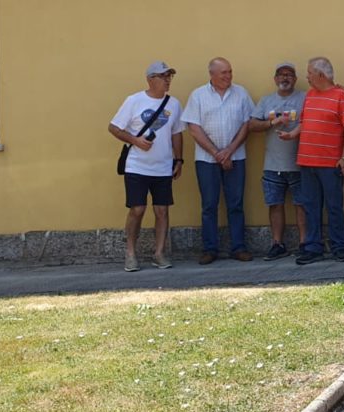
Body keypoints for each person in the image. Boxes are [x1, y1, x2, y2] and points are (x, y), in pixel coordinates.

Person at [109, 61, 184, 272]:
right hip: (137, 167)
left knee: (162, 210)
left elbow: (177, 133)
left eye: (170, 76)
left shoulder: (174, 104)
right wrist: (135, 140)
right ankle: (130, 253)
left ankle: (159, 253)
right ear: (150, 79)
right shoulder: (134, 101)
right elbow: (114, 127)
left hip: (163, 167)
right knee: (137, 209)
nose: (168, 80)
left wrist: (179, 160)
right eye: (163, 76)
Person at [182, 57, 254, 265]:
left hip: (236, 158)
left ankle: (239, 247)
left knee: (236, 204)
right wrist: (217, 153)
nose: (228, 76)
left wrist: (229, 151)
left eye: (230, 72)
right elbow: (194, 128)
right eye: (224, 73)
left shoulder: (241, 93)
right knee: (209, 205)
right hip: (206, 160)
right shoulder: (198, 95)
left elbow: (247, 124)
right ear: (212, 74)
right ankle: (209, 249)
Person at [286, 57, 344, 265]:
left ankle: (339, 246)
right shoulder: (309, 95)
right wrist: (292, 135)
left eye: (309, 72)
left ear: (320, 74)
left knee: (334, 206)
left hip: (330, 163)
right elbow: (304, 122)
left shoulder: (342, 96)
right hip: (307, 162)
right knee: (310, 206)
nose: (306, 76)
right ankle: (312, 247)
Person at [248, 62, 307, 260]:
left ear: (295, 79)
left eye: (289, 74)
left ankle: (304, 243)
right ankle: (277, 243)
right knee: (275, 204)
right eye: (281, 75)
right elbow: (252, 125)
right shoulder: (266, 101)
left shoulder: (304, 98)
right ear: (275, 79)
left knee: (302, 204)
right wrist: (272, 122)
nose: (285, 78)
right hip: (273, 163)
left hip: (300, 162)